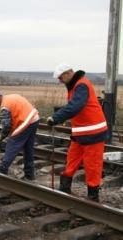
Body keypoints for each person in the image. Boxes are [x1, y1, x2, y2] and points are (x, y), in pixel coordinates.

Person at [47, 63, 107, 202]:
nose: (60, 81)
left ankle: (93, 196)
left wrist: (56, 118)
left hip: (94, 132)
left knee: (92, 164)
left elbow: (75, 106)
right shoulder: (74, 86)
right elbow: (73, 106)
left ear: (68, 73)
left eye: (61, 77)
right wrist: (58, 114)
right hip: (80, 132)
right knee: (72, 159)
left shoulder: (81, 85)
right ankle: (65, 187)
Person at [0, 90, 40, 180]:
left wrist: (2, 135)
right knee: (28, 148)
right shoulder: (10, 97)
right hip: (34, 118)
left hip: (26, 121)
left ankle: (2, 170)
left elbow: (7, 125)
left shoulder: (5, 106)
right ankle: (29, 175)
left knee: (12, 144)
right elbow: (13, 119)